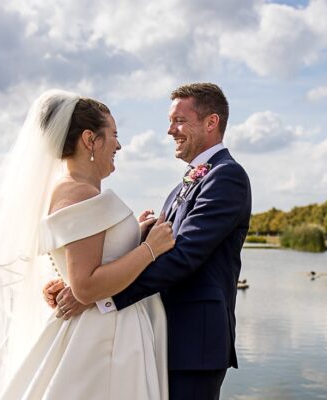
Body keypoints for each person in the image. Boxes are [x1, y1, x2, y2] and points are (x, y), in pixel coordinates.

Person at [0, 90, 175, 399]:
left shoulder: (76, 191)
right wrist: (150, 249)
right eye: (113, 135)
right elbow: (86, 287)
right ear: (90, 139)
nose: (118, 144)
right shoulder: (78, 194)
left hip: (110, 328)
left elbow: (90, 257)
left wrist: (138, 232)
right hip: (104, 338)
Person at [47, 82, 252, 399]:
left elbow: (183, 255)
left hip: (194, 343)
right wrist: (81, 279)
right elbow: (152, 247)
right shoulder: (187, 180)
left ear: (212, 122)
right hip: (161, 336)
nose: (170, 130)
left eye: (179, 121)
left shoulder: (226, 176)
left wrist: (96, 294)